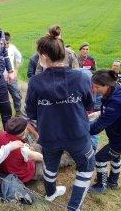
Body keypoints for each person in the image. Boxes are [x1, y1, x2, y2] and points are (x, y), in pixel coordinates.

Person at [25, 28, 95, 210]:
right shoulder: (81, 77)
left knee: (50, 164)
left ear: (44, 56)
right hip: (77, 134)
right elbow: (89, 104)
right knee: (86, 167)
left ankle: (50, 193)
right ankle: (74, 207)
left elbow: (31, 113)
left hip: (49, 135)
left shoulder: (35, 82)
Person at [88, 69, 121, 193]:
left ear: (106, 85)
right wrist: (98, 114)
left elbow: (98, 127)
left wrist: (80, 129)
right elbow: (110, 112)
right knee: (115, 156)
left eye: (97, 87)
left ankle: (101, 185)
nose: (95, 90)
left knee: (99, 158)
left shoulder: (117, 102)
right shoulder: (118, 89)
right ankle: (113, 181)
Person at [0, 117, 43, 183]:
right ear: (23, 132)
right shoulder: (22, 150)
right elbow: (41, 157)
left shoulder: (2, 134)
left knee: (35, 147)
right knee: (49, 161)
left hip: (7, 170)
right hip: (21, 176)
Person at [3, 32, 23, 117]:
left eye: (8, 43)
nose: (7, 45)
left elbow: (19, 57)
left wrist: (16, 70)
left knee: (16, 95)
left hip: (11, 78)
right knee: (4, 98)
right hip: (0, 79)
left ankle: (18, 111)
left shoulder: (12, 48)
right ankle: (6, 115)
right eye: (5, 43)